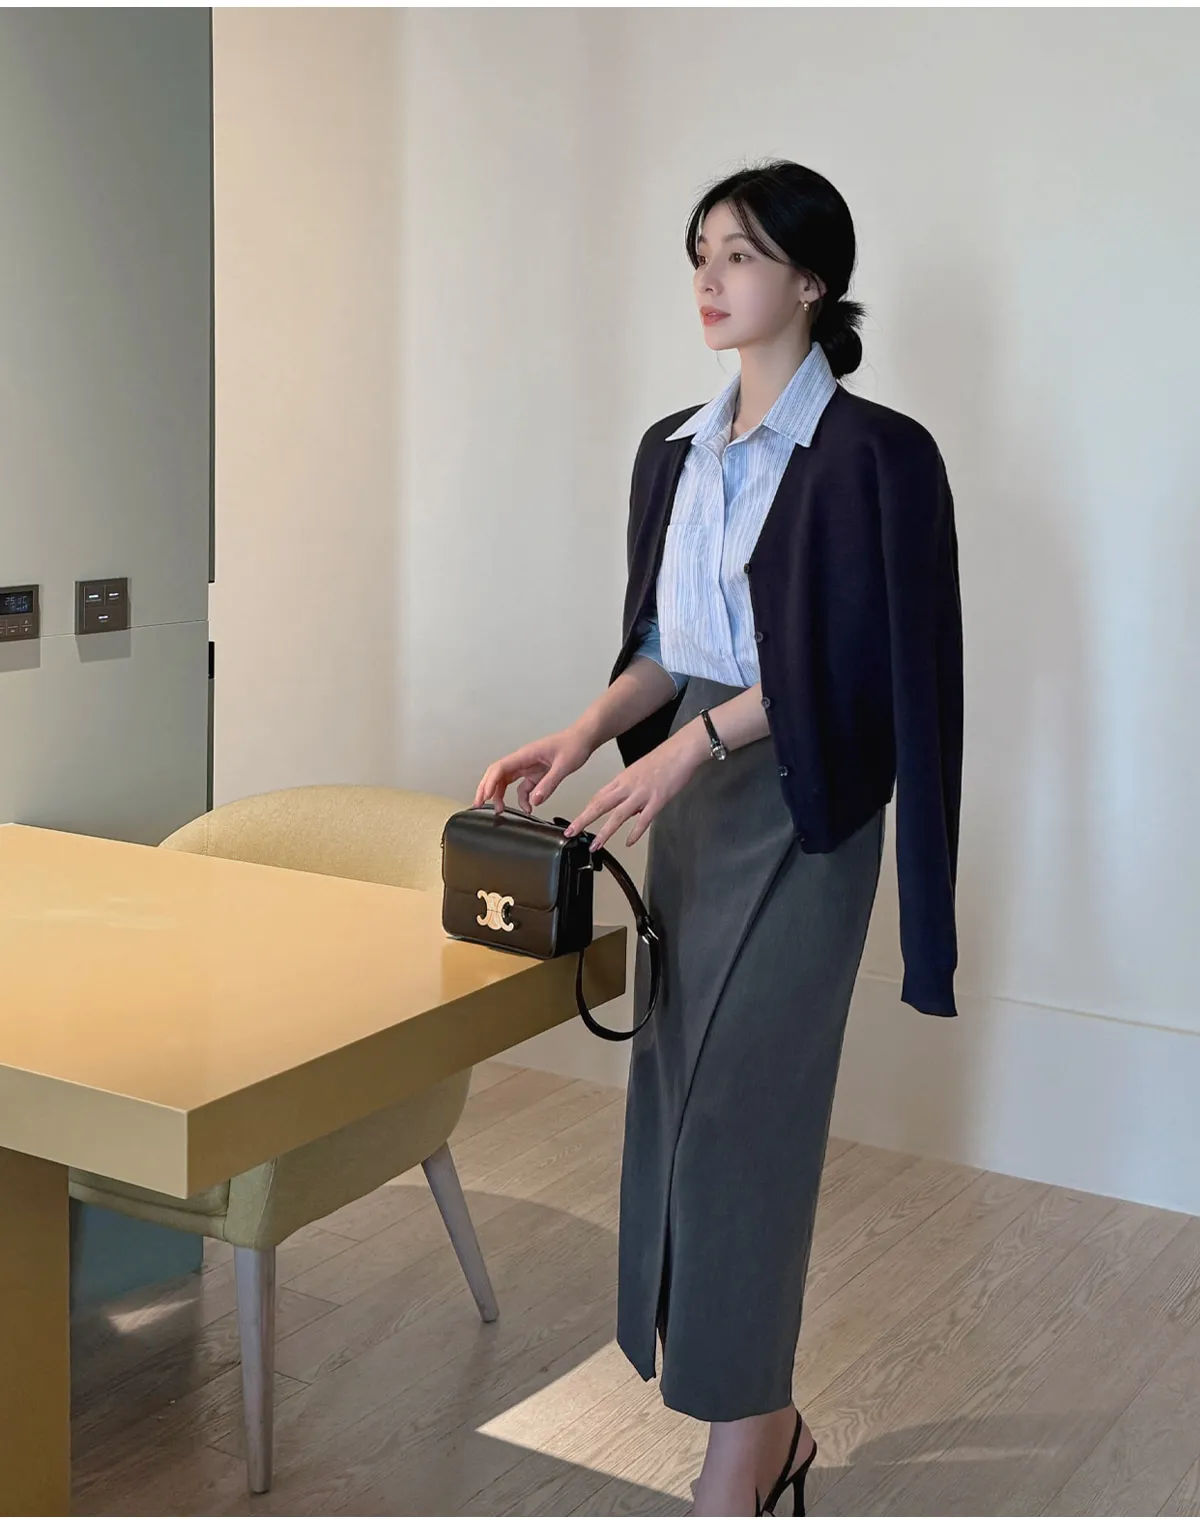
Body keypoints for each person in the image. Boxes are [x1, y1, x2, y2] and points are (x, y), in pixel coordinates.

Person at [475, 159, 963, 1517]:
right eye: (700, 252)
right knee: (677, 1103)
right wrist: (584, 733)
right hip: (685, 803)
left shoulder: (878, 455)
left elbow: (861, 668)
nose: (709, 277)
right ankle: (771, 1422)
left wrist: (693, 744)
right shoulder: (672, 450)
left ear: (811, 279)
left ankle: (741, 1452)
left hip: (801, 801)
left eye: (740, 254)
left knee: (746, 1119)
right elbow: (665, 646)